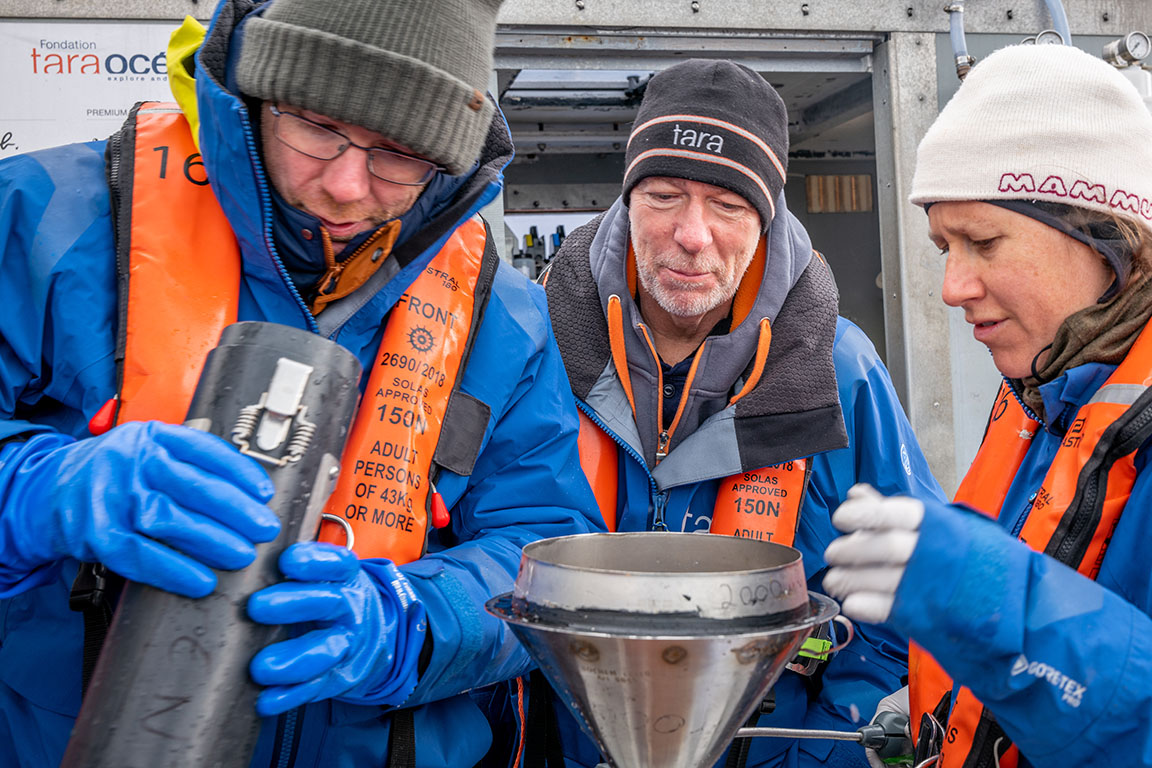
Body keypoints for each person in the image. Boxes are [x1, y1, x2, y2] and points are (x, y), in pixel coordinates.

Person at [0, 0, 603, 766]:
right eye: (317, 126)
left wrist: (414, 626)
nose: (347, 185)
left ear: (449, 157)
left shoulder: (503, 312)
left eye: (399, 153)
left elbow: (546, 551)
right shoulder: (40, 213)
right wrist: (38, 493)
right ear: (261, 92)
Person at [527, 58, 945, 768]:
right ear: (626, 201)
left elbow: (909, 598)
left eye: (728, 205)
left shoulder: (839, 369)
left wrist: (819, 757)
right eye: (664, 195)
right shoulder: (535, 344)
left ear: (767, 219)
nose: (692, 234)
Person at [823, 43, 1152, 768]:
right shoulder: (1046, 392)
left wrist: (987, 597)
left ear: (1106, 235)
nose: (952, 288)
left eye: (983, 241)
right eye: (945, 246)